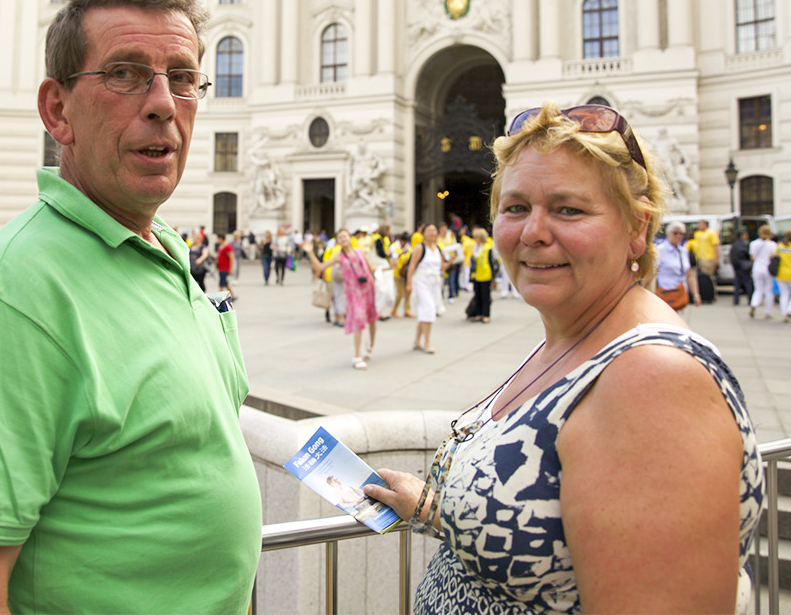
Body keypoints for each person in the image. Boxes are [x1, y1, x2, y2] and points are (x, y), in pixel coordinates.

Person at [0, 0, 262, 614]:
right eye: (125, 74)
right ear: (58, 111)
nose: (163, 103)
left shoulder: (162, 250)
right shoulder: (13, 294)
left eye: (182, 77)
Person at [363, 102, 765, 613]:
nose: (533, 231)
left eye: (568, 209)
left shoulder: (652, 381)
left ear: (637, 227)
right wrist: (429, 508)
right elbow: (544, 534)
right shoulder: (573, 338)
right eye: (515, 208)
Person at [305, 228, 379, 370]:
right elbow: (320, 267)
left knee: (372, 319)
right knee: (358, 319)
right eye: (340, 237)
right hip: (354, 293)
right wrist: (310, 252)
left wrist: (389, 268)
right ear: (338, 242)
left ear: (350, 238)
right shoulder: (339, 257)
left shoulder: (360, 252)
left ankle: (370, 345)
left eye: (345, 236)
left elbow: (371, 269)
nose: (343, 239)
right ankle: (357, 356)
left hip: (367, 289)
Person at [405, 223, 451, 354]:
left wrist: (452, 260)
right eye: (430, 231)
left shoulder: (438, 248)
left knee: (424, 312)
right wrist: (409, 283)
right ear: (424, 233)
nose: (433, 233)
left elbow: (441, 267)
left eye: (434, 230)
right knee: (428, 310)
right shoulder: (420, 248)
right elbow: (412, 266)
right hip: (421, 282)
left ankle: (416, 340)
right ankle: (427, 341)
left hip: (434, 283)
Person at [654, 221, 699, 311]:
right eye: (675, 233)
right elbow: (652, 273)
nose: (678, 236)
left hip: (680, 292)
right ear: (668, 233)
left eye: (681, 234)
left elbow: (689, 275)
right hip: (665, 292)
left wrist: (695, 294)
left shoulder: (683, 251)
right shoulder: (660, 250)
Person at [463, 227, 496, 323]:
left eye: (476, 237)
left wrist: (493, 277)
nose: (475, 239)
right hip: (476, 275)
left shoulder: (487, 247)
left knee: (485, 296)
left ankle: (486, 315)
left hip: (485, 275)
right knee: (477, 295)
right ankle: (479, 313)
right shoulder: (475, 247)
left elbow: (491, 263)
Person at [748, 224, 778, 319]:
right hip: (767, 268)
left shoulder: (753, 243)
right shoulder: (773, 245)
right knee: (769, 291)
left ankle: (754, 303)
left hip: (757, 268)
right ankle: (768, 312)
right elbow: (774, 257)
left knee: (758, 289)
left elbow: (752, 257)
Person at [730, 228, 754, 306]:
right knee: (747, 283)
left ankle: (736, 299)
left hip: (737, 267)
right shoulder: (743, 245)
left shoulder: (734, 245)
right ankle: (750, 299)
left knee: (737, 284)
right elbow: (747, 255)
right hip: (744, 267)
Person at [215, 232, 238, 302]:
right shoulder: (220, 246)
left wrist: (231, 268)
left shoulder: (227, 246)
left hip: (225, 268)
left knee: (222, 283)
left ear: (221, 239)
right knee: (225, 283)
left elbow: (232, 257)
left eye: (218, 239)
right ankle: (232, 295)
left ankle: (219, 297)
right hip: (221, 267)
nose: (217, 240)